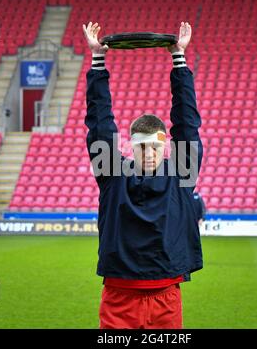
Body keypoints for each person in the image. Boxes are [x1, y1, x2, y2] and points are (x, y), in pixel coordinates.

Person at [83, 21, 203, 329]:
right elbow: (100, 124)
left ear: (165, 147)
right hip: (119, 297)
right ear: (129, 147)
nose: (148, 152)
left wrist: (179, 59)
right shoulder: (112, 174)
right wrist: (98, 61)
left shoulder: (181, 173)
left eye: (155, 146)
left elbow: (186, 123)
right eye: (142, 146)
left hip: (166, 294)